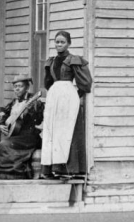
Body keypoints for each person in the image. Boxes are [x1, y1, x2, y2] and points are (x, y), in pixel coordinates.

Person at [41, 30, 93, 180]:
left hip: (68, 96)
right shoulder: (51, 61)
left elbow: (85, 83)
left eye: (62, 42)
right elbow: (48, 82)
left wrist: (76, 95)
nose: (59, 45)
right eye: (57, 42)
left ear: (68, 43)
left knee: (67, 131)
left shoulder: (73, 60)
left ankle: (69, 169)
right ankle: (52, 167)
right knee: (53, 131)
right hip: (54, 96)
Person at [0, 75, 44, 180]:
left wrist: (30, 112)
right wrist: (0, 125)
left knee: (4, 144)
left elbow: (39, 119)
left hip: (29, 137)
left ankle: (6, 173)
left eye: (20, 86)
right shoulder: (13, 103)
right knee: (3, 142)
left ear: (27, 87)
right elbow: (5, 117)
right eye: (15, 86)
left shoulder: (34, 102)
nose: (17, 89)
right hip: (15, 136)